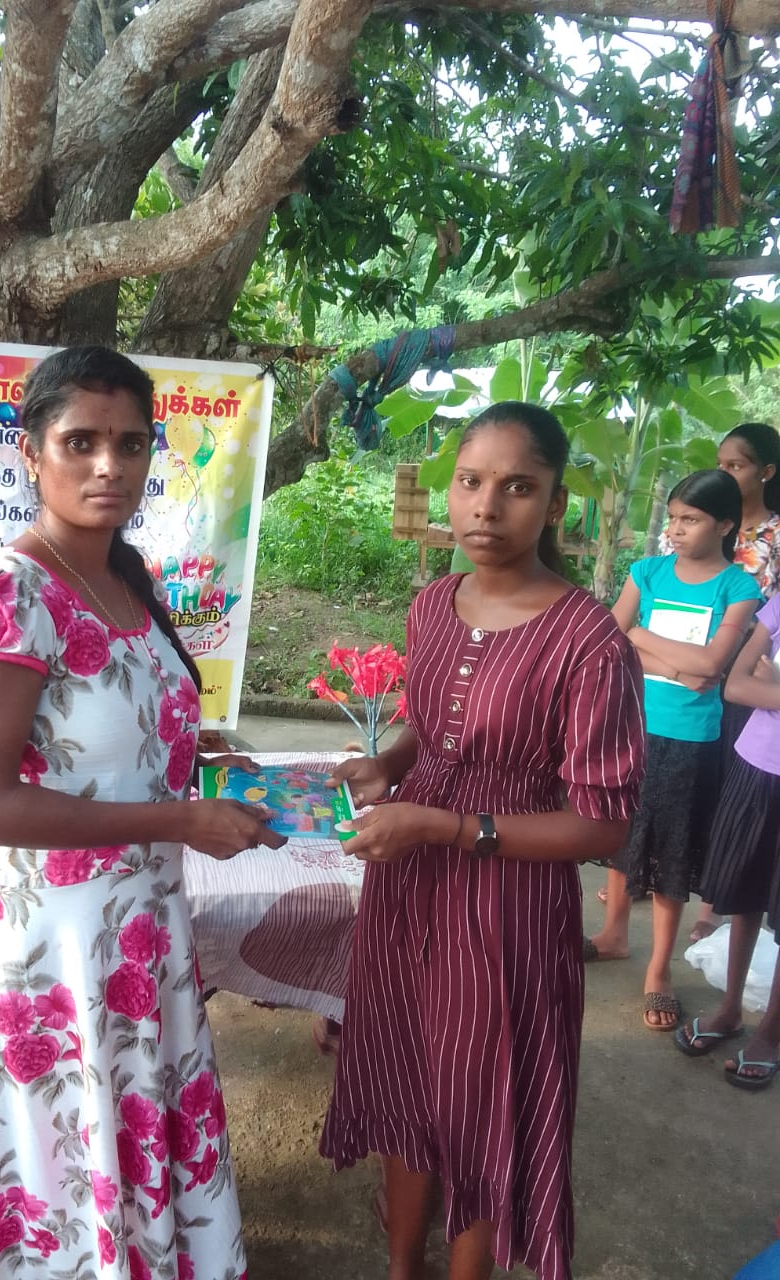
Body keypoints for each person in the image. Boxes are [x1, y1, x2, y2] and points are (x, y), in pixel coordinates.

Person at [0, 346, 284, 1278]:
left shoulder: (126, 579)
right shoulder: (9, 589)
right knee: (54, 1172)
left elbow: (112, 746)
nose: (109, 465)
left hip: (136, 936)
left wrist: (205, 769)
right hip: (48, 957)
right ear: (32, 453)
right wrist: (177, 821)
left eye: (131, 443)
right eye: (80, 442)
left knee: (115, 1150)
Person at [320, 402, 646, 1280]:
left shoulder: (589, 643)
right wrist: (388, 763)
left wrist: (447, 825)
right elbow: (430, 728)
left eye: (517, 487)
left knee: (482, 1094)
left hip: (509, 900)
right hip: (408, 879)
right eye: (470, 482)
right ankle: (402, 1266)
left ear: (556, 503)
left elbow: (603, 823)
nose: (486, 508)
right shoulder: (434, 603)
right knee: (404, 1069)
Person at [587, 471, 761, 1028]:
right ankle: (613, 934)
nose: (677, 530)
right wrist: (667, 660)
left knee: (671, 852)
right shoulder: (648, 571)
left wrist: (636, 633)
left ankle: (659, 969)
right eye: (674, 518)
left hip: (689, 738)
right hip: (631, 723)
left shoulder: (738, 588)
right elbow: (609, 641)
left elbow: (712, 663)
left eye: (692, 520)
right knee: (623, 830)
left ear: (725, 525)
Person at [674, 589, 780, 1089]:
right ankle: (730, 1009)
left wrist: (772, 685)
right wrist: (764, 684)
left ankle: (772, 1032)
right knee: (743, 893)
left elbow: (756, 683)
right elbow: (736, 685)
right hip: (757, 765)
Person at [685, 422, 780, 943]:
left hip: (746, 678)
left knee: (727, 784)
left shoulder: (775, 537)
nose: (723, 472)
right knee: (685, 776)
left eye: (735, 466)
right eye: (719, 464)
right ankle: (667, 871)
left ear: (765, 472)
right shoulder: (701, 521)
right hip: (687, 670)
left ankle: (713, 901)